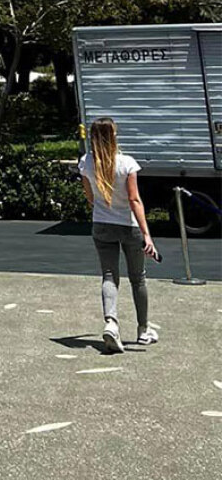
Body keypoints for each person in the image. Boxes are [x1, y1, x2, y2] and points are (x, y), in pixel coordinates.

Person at [78, 116, 159, 353]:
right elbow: (134, 200)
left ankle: (111, 323)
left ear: (93, 138)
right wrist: (147, 235)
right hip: (129, 226)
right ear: (114, 136)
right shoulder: (127, 164)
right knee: (138, 278)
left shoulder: (86, 162)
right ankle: (143, 330)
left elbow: (90, 198)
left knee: (109, 275)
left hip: (102, 224)